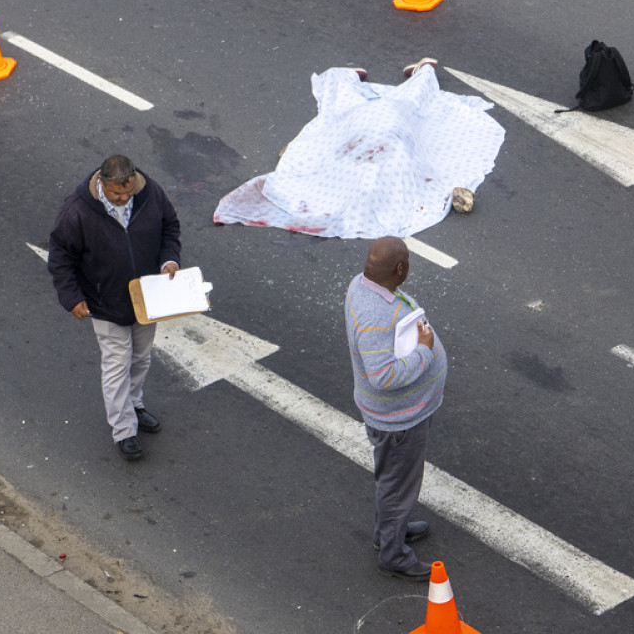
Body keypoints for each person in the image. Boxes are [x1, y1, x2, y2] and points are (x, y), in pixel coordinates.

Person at [213, 57, 505, 239]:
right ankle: (421, 70)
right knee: (409, 101)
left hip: (382, 128)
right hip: (384, 127)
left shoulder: (359, 173)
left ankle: (406, 72)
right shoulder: (391, 178)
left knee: (360, 104)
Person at [48, 155, 181, 460]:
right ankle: (124, 429)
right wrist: (71, 297)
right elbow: (60, 256)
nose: (124, 198)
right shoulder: (77, 210)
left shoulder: (150, 194)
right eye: (117, 194)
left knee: (141, 359)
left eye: (128, 192)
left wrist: (169, 260)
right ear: (102, 183)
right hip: (104, 302)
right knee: (117, 364)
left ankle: (135, 404)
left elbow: (169, 228)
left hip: (147, 298)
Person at [344, 236, 446, 581]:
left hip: (399, 416)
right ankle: (393, 553)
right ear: (399, 268)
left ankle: (388, 533)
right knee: (397, 487)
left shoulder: (362, 284)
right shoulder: (376, 316)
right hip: (398, 421)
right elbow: (382, 377)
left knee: (393, 481)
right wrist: (424, 351)